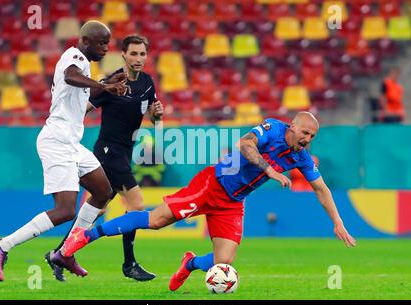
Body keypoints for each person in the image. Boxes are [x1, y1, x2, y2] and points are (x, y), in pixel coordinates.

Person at [61, 112, 357, 291]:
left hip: (233, 202)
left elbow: (322, 189)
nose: (308, 139)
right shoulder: (273, 129)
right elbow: (245, 143)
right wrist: (269, 170)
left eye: (313, 136)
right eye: (305, 132)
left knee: (223, 261)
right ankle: (84, 235)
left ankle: (189, 264)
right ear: (293, 127)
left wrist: (338, 223)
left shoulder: (301, 157)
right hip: (211, 185)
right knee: (155, 221)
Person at [0, 20, 129, 282]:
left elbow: (77, 95)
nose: (106, 48)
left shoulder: (83, 64)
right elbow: (69, 77)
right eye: (102, 43)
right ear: (86, 42)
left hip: (72, 144)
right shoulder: (73, 56)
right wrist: (105, 86)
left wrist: (105, 82)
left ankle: (65, 252)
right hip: (57, 142)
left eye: (108, 43)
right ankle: (2, 245)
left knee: (103, 192)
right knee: (65, 211)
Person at [47, 35, 164, 282]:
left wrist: (157, 116)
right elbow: (83, 107)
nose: (138, 59)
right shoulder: (111, 83)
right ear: (123, 55)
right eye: (133, 53)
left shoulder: (147, 83)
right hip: (108, 153)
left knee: (95, 212)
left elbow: (152, 117)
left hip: (124, 153)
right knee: (136, 205)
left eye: (142, 54)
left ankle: (59, 253)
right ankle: (129, 264)